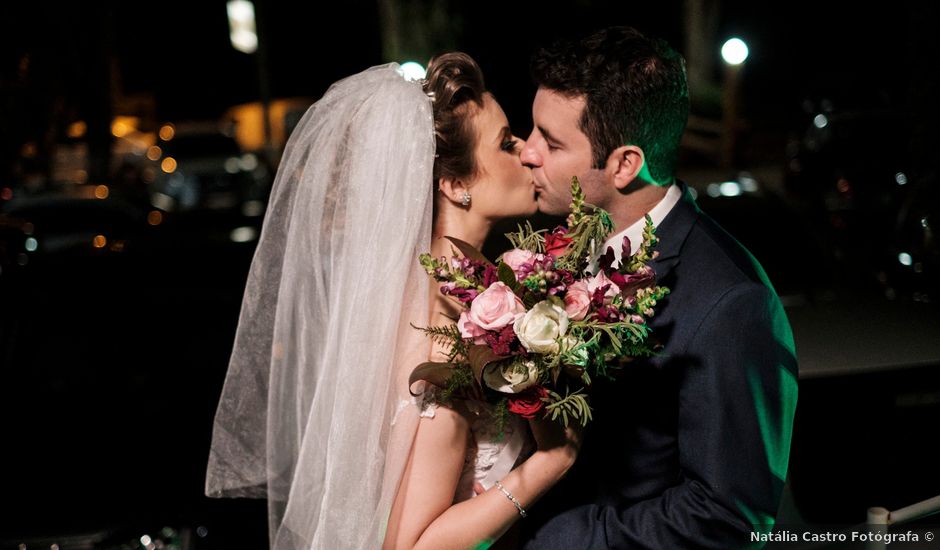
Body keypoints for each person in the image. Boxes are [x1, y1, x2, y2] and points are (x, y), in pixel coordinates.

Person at [205, 52, 577, 550]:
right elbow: (409, 544)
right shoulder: (441, 342)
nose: (528, 153)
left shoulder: (453, 299)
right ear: (455, 184)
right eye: (507, 142)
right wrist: (548, 465)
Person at [516, 26, 799, 549]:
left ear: (624, 164)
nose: (527, 152)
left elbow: (727, 517)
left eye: (551, 142)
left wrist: (560, 536)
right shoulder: (561, 246)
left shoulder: (729, 301)